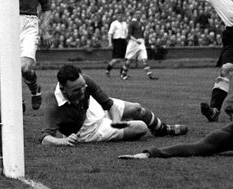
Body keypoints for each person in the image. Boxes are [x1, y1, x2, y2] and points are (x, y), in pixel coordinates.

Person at [39, 63, 187, 147]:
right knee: (141, 127)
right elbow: (46, 138)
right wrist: (63, 141)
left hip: (93, 107)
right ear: (63, 89)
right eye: (76, 90)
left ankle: (162, 129)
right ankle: (150, 128)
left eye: (83, 87)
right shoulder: (53, 104)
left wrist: (116, 122)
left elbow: (108, 104)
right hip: (88, 130)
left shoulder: (85, 81)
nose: (82, 91)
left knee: (137, 108)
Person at [16, 0, 52, 110]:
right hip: (9, 25)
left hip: (30, 24)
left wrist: (44, 30)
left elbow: (46, 8)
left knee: (24, 67)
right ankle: (18, 99)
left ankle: (34, 88)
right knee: (8, 68)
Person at [122, 14, 158, 80]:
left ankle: (150, 75)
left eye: (140, 14)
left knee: (144, 59)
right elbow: (129, 35)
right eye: (137, 14)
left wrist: (145, 35)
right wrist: (136, 40)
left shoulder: (141, 23)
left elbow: (142, 34)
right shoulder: (132, 23)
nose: (139, 15)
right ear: (134, 15)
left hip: (141, 43)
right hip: (134, 43)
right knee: (130, 60)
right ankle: (123, 74)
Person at [105, 12, 129, 77]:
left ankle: (122, 73)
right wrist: (110, 42)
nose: (120, 17)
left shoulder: (125, 24)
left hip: (123, 41)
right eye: (119, 15)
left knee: (123, 59)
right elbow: (110, 33)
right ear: (117, 16)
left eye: (122, 15)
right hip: (117, 41)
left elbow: (127, 33)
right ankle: (108, 70)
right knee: (116, 59)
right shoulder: (114, 23)